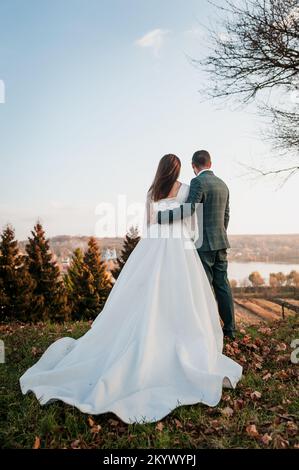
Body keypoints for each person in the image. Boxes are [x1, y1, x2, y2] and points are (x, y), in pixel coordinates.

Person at [20, 154, 242, 424]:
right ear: (179, 169)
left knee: (144, 294)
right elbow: (192, 223)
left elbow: (150, 225)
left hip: (155, 245)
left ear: (160, 170)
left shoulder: (152, 192)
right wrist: (187, 238)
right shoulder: (185, 188)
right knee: (183, 296)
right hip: (179, 246)